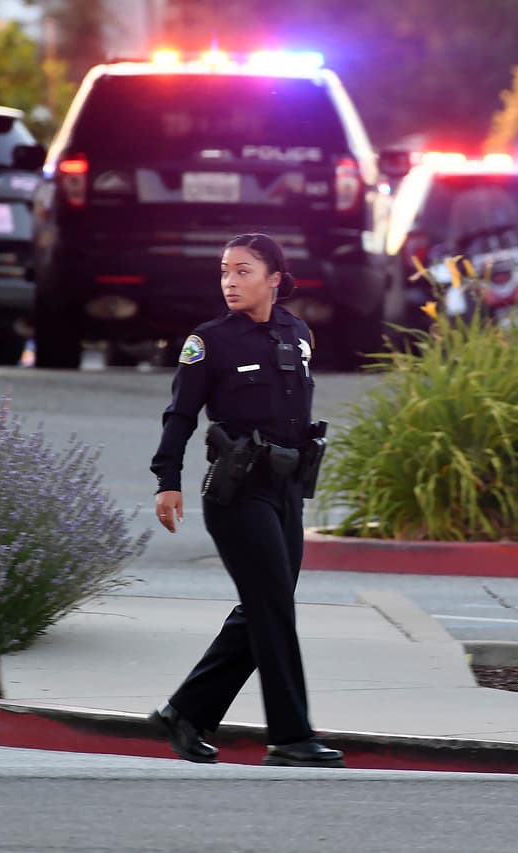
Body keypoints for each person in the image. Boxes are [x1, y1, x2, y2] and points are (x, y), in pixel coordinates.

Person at [147, 233, 344, 768]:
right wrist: (168, 479)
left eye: (243, 271)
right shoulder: (209, 342)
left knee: (265, 607)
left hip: (287, 491)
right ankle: (290, 737)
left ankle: (184, 713)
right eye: (225, 271)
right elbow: (180, 415)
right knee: (273, 607)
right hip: (238, 494)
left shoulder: (297, 333)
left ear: (274, 279)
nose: (230, 282)